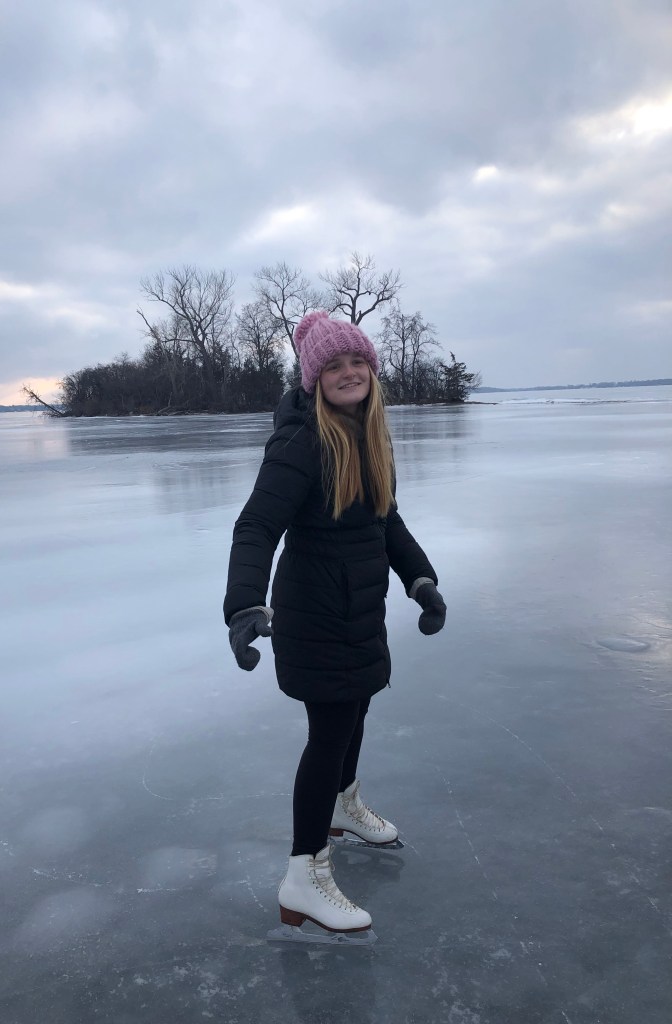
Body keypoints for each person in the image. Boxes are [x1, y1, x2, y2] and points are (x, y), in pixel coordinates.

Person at [223, 310, 446, 938]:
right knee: (329, 733)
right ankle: (304, 875)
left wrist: (420, 580)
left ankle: (343, 806)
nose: (349, 373)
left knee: (357, 710)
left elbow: (386, 520)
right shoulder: (301, 442)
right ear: (313, 379)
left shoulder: (369, 435)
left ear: (372, 371)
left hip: (359, 608)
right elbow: (256, 526)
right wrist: (243, 605)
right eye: (333, 366)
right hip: (315, 614)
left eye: (357, 362)